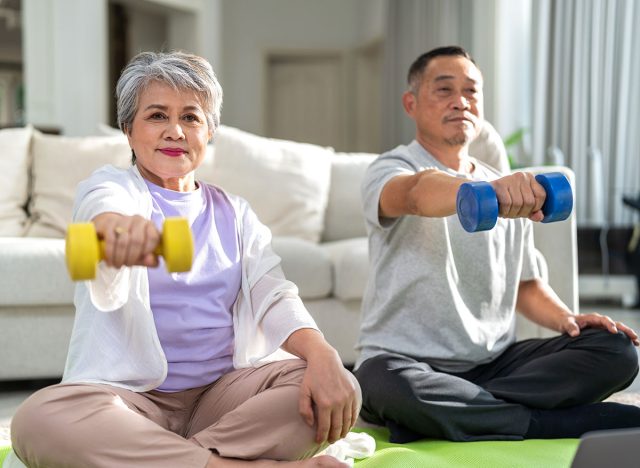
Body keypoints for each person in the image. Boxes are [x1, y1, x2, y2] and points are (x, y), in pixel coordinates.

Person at [10, 51, 360, 468]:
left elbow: (274, 295)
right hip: (130, 401)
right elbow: (99, 218)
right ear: (128, 129)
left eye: (191, 118)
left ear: (210, 132)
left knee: (334, 386)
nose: (175, 131)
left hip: (224, 399)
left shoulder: (236, 212)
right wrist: (117, 230)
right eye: (157, 115)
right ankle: (221, 462)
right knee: (37, 420)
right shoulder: (110, 187)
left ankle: (158, 458)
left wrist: (322, 353)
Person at [353, 45, 640, 443]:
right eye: (444, 90)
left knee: (617, 350)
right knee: (382, 385)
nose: (461, 102)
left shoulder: (506, 189)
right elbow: (418, 193)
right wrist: (488, 189)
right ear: (411, 103)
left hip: (496, 363)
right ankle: (549, 423)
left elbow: (525, 284)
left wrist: (567, 319)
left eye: (471, 91)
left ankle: (458, 415)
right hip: (406, 362)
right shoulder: (391, 169)